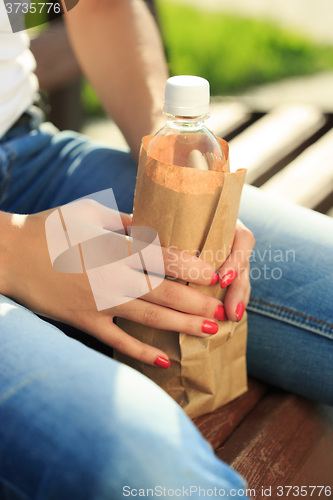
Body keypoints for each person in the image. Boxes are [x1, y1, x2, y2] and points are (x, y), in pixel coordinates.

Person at [0, 1, 332, 499]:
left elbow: (95, 6)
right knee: (151, 469)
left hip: (28, 156)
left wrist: (175, 171)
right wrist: (14, 253)